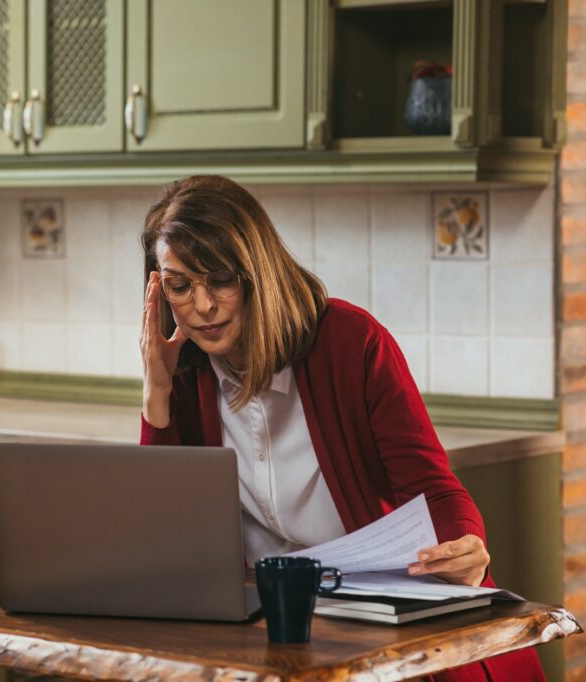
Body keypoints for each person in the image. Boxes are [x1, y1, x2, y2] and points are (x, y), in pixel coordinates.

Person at [138, 175, 543, 681]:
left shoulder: (353, 345)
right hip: (264, 636)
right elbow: (166, 539)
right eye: (180, 286)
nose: (202, 306)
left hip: (374, 627)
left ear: (256, 273)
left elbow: (435, 490)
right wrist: (156, 393)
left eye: (220, 279)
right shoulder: (183, 372)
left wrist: (465, 548)